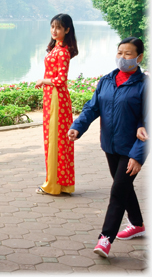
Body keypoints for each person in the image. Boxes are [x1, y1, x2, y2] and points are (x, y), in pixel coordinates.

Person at [68, 37, 148, 258]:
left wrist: (138, 156)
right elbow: (92, 107)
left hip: (131, 148)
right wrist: (78, 127)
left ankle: (105, 238)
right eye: (120, 53)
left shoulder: (144, 86)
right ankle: (138, 224)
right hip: (109, 146)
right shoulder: (107, 80)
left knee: (118, 190)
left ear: (139, 57)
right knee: (123, 186)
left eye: (128, 54)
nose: (123, 57)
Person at [35, 13, 79, 195]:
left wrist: (43, 80)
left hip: (56, 98)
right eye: (52, 27)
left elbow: (61, 80)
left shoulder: (62, 51)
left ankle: (53, 184)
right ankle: (63, 183)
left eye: (59, 27)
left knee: (55, 140)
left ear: (67, 30)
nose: (54, 30)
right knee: (58, 140)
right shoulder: (57, 48)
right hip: (53, 97)